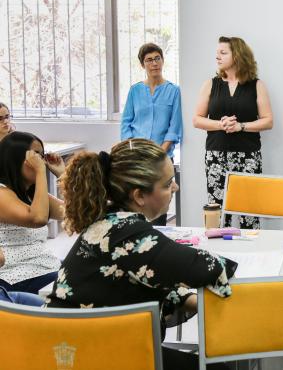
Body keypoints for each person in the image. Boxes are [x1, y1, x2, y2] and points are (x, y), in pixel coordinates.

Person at [45, 139, 236, 370]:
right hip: (92, 356)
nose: (175, 188)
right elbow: (207, 267)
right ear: (139, 196)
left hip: (74, 350)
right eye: (167, 184)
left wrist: (187, 298)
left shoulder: (111, 222)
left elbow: (141, 278)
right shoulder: (129, 234)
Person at [193, 36, 273, 229]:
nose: (217, 57)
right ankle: (217, 247)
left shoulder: (257, 85)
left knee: (249, 213)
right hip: (216, 156)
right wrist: (221, 125)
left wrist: (241, 126)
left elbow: (268, 121)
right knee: (217, 213)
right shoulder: (210, 84)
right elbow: (197, 119)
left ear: (237, 56)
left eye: (223, 53)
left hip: (248, 156)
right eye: (217, 53)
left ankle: (253, 248)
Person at [120, 43, 183, 226]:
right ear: (143, 65)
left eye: (157, 58)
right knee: (135, 204)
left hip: (162, 158)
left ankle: (158, 238)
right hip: (136, 157)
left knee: (159, 207)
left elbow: (174, 127)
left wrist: (158, 153)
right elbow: (126, 123)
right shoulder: (135, 90)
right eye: (149, 60)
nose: (154, 63)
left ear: (162, 61)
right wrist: (133, 150)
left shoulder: (173, 91)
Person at [0, 132, 65, 294]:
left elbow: (76, 212)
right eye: (36, 156)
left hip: (44, 267)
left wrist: (62, 175)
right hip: (17, 276)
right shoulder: (1, 193)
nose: (42, 161)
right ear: (16, 159)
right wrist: (41, 172)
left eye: (43, 156)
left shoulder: (30, 195)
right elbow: (37, 218)